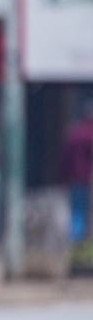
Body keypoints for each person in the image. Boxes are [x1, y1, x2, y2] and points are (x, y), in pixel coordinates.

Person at [62, 99, 93, 241]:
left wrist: (64, 176)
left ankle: (76, 243)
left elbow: (65, 159)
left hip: (75, 179)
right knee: (82, 213)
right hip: (86, 180)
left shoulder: (74, 133)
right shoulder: (88, 134)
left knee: (76, 213)